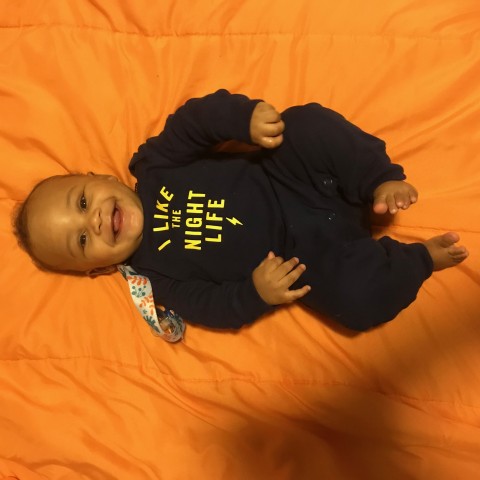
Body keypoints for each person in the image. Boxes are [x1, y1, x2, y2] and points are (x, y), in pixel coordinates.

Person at [13, 89, 469, 332]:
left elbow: (192, 124)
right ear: (97, 270)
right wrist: (255, 294)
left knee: (305, 124)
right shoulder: (157, 278)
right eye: (81, 240)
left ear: (103, 179)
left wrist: (242, 120)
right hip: (306, 259)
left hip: (293, 177)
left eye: (82, 202)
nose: (93, 220)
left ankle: (378, 180)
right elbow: (213, 307)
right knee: (357, 303)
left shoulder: (152, 167)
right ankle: (419, 260)